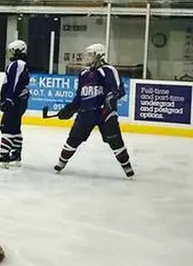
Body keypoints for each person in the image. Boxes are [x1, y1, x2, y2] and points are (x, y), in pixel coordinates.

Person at [54, 43, 134, 178]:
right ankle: (61, 162)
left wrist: (110, 99)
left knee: (115, 142)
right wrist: (69, 109)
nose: (88, 58)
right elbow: (79, 97)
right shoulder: (83, 74)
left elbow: (119, 90)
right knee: (73, 139)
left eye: (91, 55)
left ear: (100, 55)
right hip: (86, 114)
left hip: (105, 113)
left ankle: (127, 166)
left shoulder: (108, 70)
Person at [0, 40, 30, 168]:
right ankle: (16, 155)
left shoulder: (18, 64)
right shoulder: (18, 64)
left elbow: (14, 83)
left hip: (15, 101)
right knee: (15, 128)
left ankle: (5, 156)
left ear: (18, 51)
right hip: (18, 101)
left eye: (12, 51)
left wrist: (9, 100)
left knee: (7, 127)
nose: (10, 53)